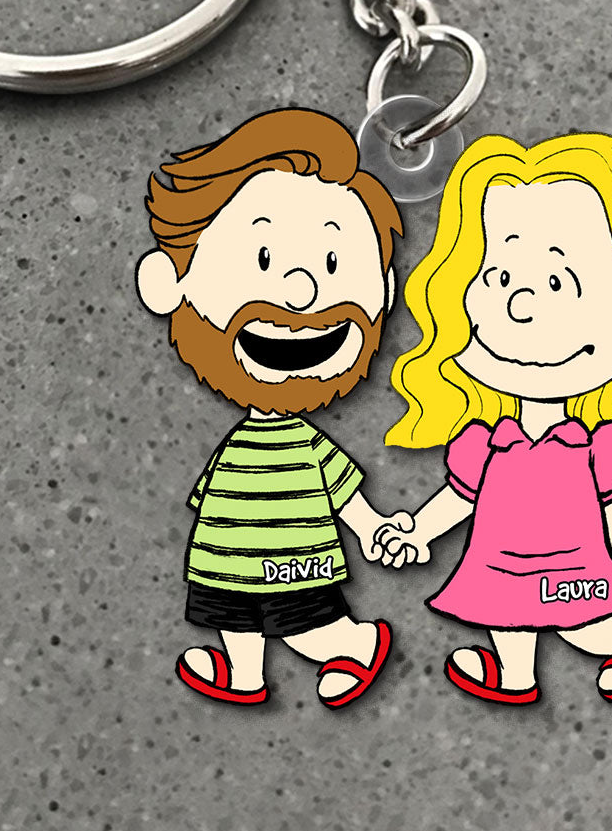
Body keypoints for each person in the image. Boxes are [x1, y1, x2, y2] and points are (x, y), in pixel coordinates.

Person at [378, 132, 612, 704]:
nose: (520, 307)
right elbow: (461, 497)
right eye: (499, 279)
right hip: (500, 558)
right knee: (502, 611)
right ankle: (513, 675)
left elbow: (610, 496)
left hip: (571, 564)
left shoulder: (595, 446)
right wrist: (419, 530)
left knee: (582, 624)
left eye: (558, 283)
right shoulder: (485, 444)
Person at [136, 108, 411, 709]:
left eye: (333, 264)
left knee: (303, 621)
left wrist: (371, 528)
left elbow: (340, 488)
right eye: (264, 259)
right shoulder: (240, 442)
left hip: (295, 560)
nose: (302, 292)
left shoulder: (305, 443)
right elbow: (213, 492)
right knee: (229, 614)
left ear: (384, 291)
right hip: (225, 556)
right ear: (169, 284)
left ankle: (354, 645)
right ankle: (243, 675)